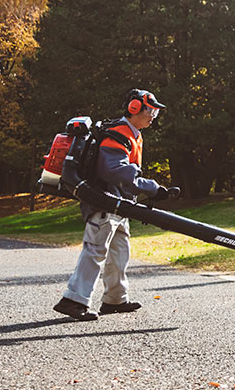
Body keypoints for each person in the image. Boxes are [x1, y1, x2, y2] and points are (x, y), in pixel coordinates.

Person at [53, 88, 179, 321]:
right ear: (134, 108)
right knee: (95, 250)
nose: (153, 115)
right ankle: (73, 300)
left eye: (155, 112)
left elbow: (125, 177)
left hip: (120, 204)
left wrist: (148, 190)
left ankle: (115, 299)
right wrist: (151, 187)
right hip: (104, 201)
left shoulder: (133, 134)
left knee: (120, 252)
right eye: (150, 110)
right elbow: (114, 171)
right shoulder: (119, 134)